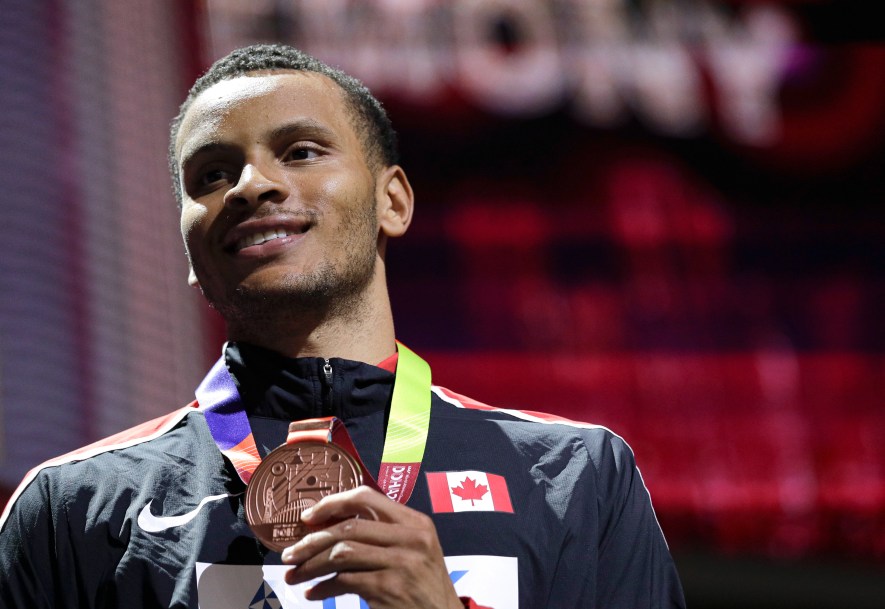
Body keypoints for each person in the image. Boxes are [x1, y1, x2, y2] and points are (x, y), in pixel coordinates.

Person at [0, 44, 685, 609]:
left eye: (299, 151)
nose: (248, 186)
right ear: (189, 250)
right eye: (211, 174)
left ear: (392, 200)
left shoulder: (575, 475)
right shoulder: (74, 508)